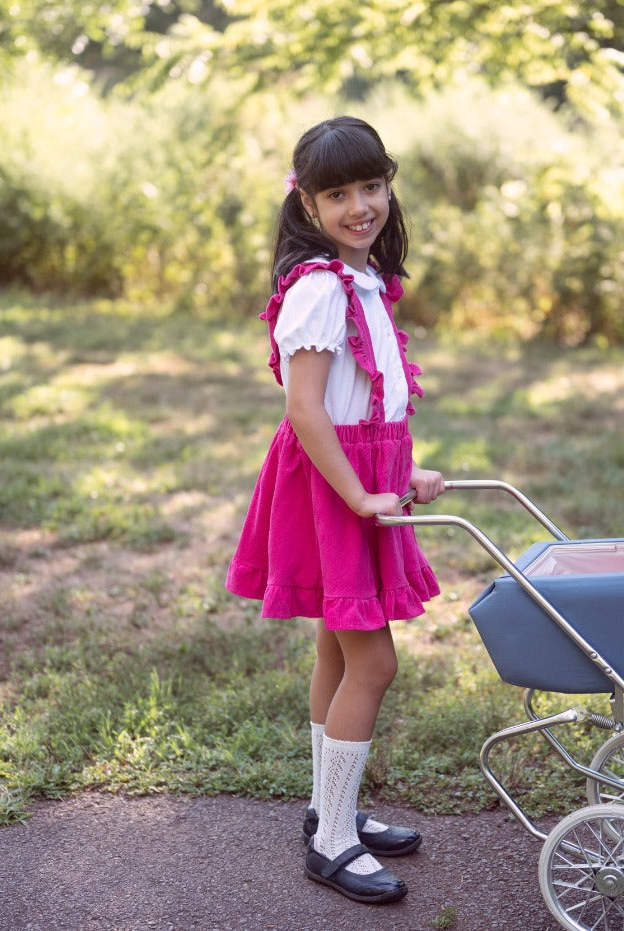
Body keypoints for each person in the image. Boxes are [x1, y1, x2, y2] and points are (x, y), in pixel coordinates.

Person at [224, 116, 445, 905]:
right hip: (329, 489)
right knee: (374, 661)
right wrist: (357, 494)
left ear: (389, 187)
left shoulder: (362, 281)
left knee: (338, 650)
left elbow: (372, 401)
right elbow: (309, 411)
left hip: (358, 480)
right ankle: (333, 841)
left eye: (372, 187)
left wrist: (406, 471)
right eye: (339, 193)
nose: (361, 206)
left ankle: (331, 805)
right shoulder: (318, 288)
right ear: (308, 205)